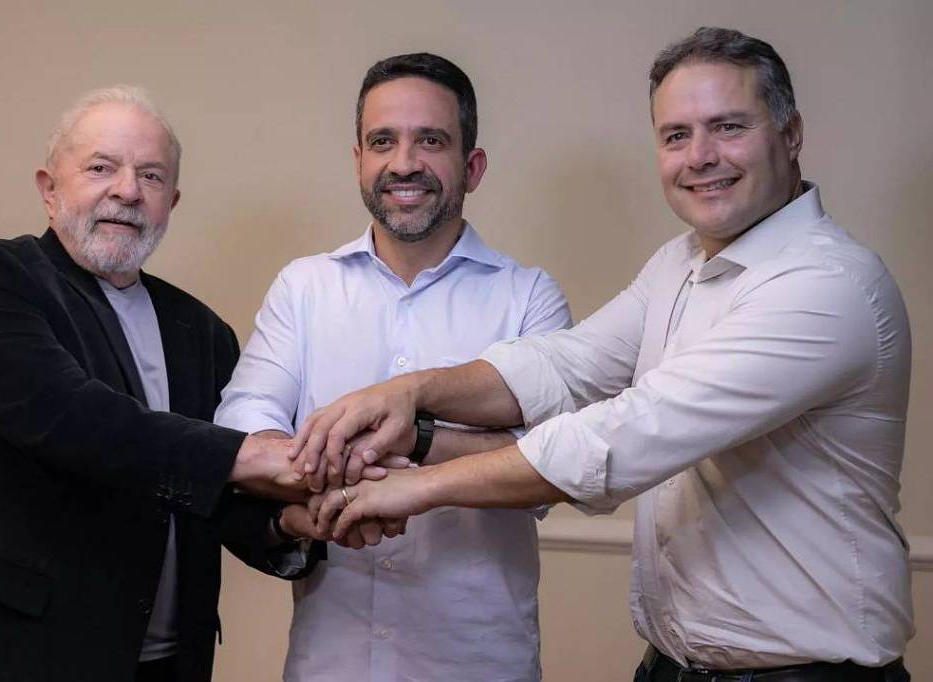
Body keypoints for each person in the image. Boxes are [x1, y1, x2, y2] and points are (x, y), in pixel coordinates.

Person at [298, 28, 914, 681]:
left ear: (789, 134)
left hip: (808, 674)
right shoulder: (679, 263)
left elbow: (624, 436)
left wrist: (414, 487)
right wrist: (410, 393)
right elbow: (567, 363)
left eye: (727, 127)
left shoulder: (825, 287)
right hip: (672, 665)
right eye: (677, 135)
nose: (700, 156)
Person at [0, 86, 360, 682]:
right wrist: (260, 454)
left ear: (171, 202)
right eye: (101, 168)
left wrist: (286, 523)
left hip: (165, 661)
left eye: (150, 176)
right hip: (5, 654)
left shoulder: (202, 332)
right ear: (49, 189)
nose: (127, 190)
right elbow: (74, 421)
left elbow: (203, 488)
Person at [214, 53, 570, 681]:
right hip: (330, 663)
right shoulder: (304, 287)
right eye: (383, 141)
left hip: (479, 665)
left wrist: (417, 439)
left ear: (473, 165)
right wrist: (344, 467)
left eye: (431, 140)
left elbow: (548, 466)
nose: (404, 163)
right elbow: (244, 421)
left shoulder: (529, 296)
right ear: (359, 159)